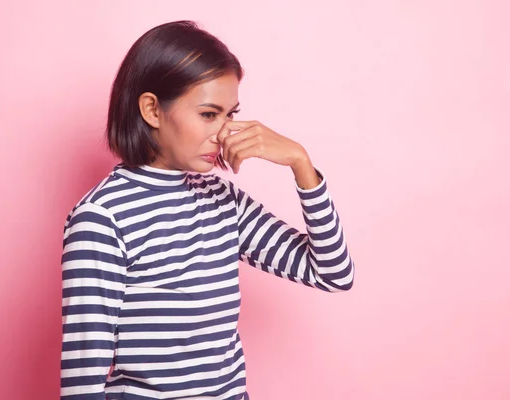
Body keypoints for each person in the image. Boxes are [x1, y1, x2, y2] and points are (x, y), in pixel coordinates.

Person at [60, 20, 355, 400]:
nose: (223, 133)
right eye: (208, 114)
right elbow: (82, 380)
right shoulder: (102, 218)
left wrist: (301, 163)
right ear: (152, 109)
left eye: (230, 114)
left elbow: (332, 272)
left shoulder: (222, 199)